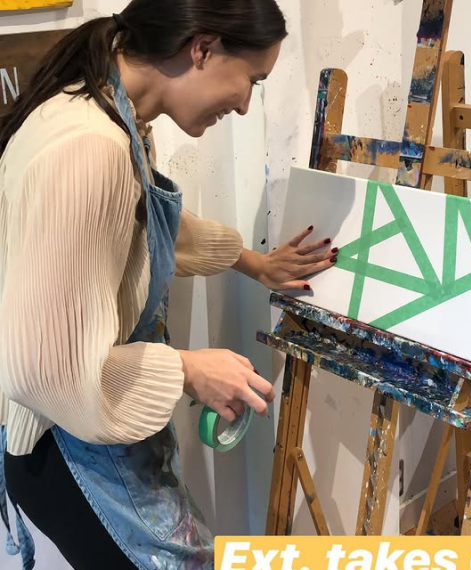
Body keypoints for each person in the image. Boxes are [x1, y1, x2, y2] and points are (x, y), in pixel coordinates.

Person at [0, 1, 336, 569]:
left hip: (83, 447)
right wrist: (188, 370)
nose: (246, 104)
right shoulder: (89, 148)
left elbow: (138, 230)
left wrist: (253, 264)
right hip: (72, 454)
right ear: (202, 48)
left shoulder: (107, 112)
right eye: (251, 80)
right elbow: (42, 368)